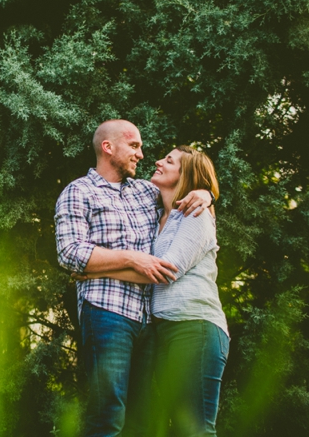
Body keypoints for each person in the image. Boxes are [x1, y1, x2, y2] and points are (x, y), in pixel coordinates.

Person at [54, 120, 213, 437]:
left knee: (141, 421)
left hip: (148, 321)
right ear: (108, 147)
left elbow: (184, 182)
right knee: (108, 414)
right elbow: (69, 251)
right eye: (134, 146)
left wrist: (205, 193)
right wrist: (132, 258)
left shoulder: (144, 191)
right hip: (106, 313)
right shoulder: (78, 192)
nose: (141, 155)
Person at [82, 145, 228, 436]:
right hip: (163, 330)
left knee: (195, 429)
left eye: (169, 161)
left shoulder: (195, 215)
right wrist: (208, 192)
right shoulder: (161, 214)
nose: (158, 161)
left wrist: (94, 268)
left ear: (186, 174)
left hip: (194, 327)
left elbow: (165, 271)